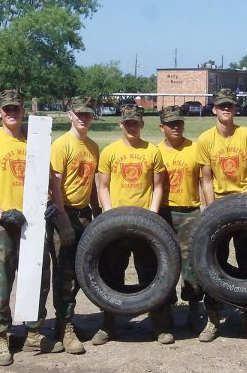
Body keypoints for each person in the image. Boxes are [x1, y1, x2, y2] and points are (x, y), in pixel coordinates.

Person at [0, 90, 61, 366]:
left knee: (37, 276)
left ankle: (34, 331)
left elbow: (47, 183)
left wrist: (50, 204)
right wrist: (2, 213)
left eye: (16, 108)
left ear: (23, 110)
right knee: (0, 281)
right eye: (6, 109)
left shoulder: (36, 142)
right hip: (2, 223)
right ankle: (1, 335)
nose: (12, 113)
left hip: (34, 223)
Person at [93, 104, 166, 345]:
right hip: (115, 225)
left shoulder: (152, 151)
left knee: (151, 272)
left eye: (136, 122)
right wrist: (109, 214)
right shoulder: (110, 151)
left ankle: (158, 324)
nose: (132, 126)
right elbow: (102, 187)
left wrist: (153, 216)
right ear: (121, 124)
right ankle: (109, 325)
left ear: (142, 124)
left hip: (145, 225)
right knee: (111, 273)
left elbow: (158, 187)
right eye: (127, 123)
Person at [195, 88, 247, 343]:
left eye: (230, 106)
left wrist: (246, 198)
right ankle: (213, 319)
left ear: (235, 109)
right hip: (219, 208)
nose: (226, 109)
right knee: (214, 264)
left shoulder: (246, 135)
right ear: (214, 109)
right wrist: (212, 209)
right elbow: (206, 178)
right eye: (222, 106)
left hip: (244, 205)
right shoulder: (205, 139)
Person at [47, 96, 101, 354]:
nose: (83, 118)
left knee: (81, 271)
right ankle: (64, 327)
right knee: (64, 273)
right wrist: (62, 221)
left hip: (84, 215)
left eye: (87, 114)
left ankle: (67, 320)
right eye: (79, 114)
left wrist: (97, 211)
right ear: (70, 115)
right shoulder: (61, 145)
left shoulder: (92, 146)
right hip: (64, 214)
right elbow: (54, 185)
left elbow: (90, 184)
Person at [156, 106, 204, 332]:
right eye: (170, 124)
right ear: (161, 127)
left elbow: (205, 181)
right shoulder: (155, 151)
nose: (175, 127)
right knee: (163, 263)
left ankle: (194, 308)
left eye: (179, 123)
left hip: (190, 211)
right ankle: (164, 311)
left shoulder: (195, 149)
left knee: (191, 264)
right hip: (163, 212)